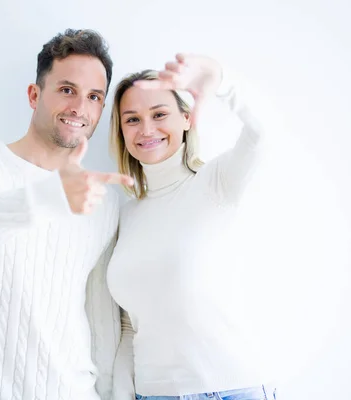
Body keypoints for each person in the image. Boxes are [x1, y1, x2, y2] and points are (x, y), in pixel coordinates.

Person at [0, 29, 133, 400]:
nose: (79, 107)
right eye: (67, 90)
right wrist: (49, 196)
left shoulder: (103, 200)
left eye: (94, 97)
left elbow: (101, 318)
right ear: (34, 94)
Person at [106, 54, 276, 400]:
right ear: (122, 132)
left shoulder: (216, 183)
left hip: (230, 389)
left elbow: (262, 132)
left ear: (186, 118)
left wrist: (221, 78)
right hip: (152, 394)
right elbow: (129, 324)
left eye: (159, 114)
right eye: (132, 119)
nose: (147, 129)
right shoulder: (124, 216)